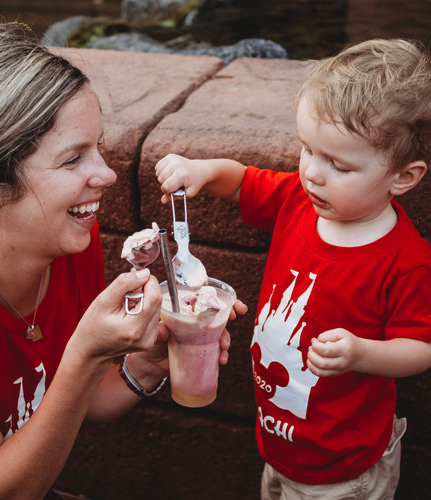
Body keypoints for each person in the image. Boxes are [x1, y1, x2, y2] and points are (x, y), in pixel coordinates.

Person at [0, 23, 244, 499]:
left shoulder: (67, 240)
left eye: (97, 146)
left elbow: (82, 400)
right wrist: (86, 351)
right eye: (73, 158)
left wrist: (149, 364)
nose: (108, 173)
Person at [155, 38, 431, 499]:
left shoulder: (406, 261)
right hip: (281, 440)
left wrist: (363, 354)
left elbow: (421, 346)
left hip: (343, 467)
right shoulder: (297, 202)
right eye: (307, 150)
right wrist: (201, 169)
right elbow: (243, 181)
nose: (313, 173)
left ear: (403, 177)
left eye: (338, 165)